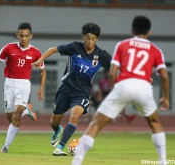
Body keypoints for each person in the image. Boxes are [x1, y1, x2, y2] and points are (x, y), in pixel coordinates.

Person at [72, 16, 170, 165]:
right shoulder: (155, 50)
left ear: (132, 30)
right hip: (144, 87)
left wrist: (114, 91)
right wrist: (166, 97)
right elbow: (164, 76)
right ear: (149, 32)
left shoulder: (123, 45)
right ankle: (163, 161)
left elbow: (112, 73)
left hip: (124, 85)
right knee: (154, 122)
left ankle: (76, 162)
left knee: (96, 124)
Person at [33, 23, 112, 156]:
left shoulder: (102, 55)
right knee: (54, 121)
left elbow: (119, 65)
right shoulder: (75, 47)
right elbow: (53, 49)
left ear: (97, 39)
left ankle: (59, 148)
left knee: (74, 117)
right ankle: (57, 130)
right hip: (66, 88)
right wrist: (40, 59)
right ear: (83, 37)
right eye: (87, 38)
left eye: (93, 38)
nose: (90, 41)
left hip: (83, 92)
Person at [0, 22, 46, 153]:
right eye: (21, 35)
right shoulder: (9, 48)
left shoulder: (36, 52)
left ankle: (5, 147)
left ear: (30, 36)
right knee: (11, 119)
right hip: (9, 83)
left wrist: (41, 89)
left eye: (26, 36)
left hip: (24, 84)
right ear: (17, 35)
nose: (23, 38)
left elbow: (43, 71)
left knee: (16, 115)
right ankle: (27, 110)